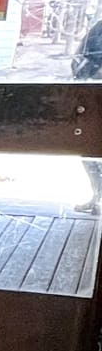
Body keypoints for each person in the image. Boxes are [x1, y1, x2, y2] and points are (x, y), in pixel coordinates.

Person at [71, 17, 102, 213]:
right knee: (89, 154)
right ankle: (97, 196)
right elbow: (82, 58)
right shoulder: (99, 28)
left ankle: (97, 197)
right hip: (93, 101)